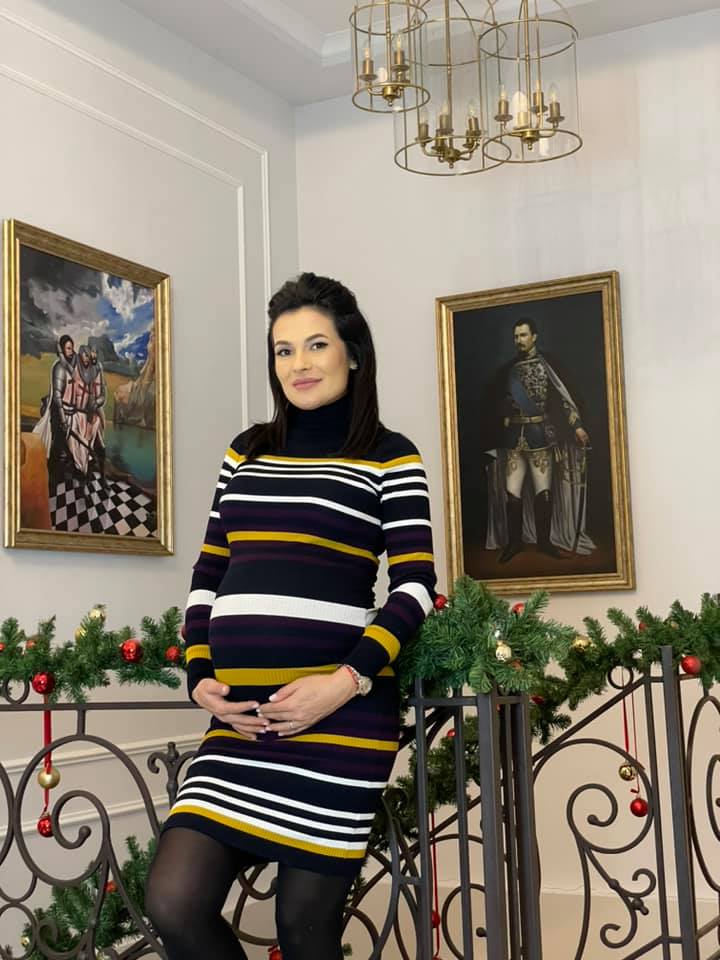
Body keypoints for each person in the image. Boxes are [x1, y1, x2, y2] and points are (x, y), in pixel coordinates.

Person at [145, 273, 437, 960]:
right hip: (240, 726)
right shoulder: (246, 449)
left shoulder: (389, 455)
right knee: (173, 901)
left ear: (353, 353)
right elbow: (209, 572)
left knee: (304, 931)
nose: (299, 364)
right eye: (284, 350)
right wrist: (199, 675)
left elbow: (416, 587)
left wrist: (343, 683)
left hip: (340, 726)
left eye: (316, 345)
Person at [482, 317, 593, 562]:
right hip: (513, 437)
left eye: (523, 335)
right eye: (516, 336)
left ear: (534, 337)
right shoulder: (508, 370)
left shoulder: (548, 365)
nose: (519, 340)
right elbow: (496, 405)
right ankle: (514, 543)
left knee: (543, 491)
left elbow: (565, 399)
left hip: (539, 434)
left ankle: (544, 543)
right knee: (512, 492)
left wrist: (577, 427)